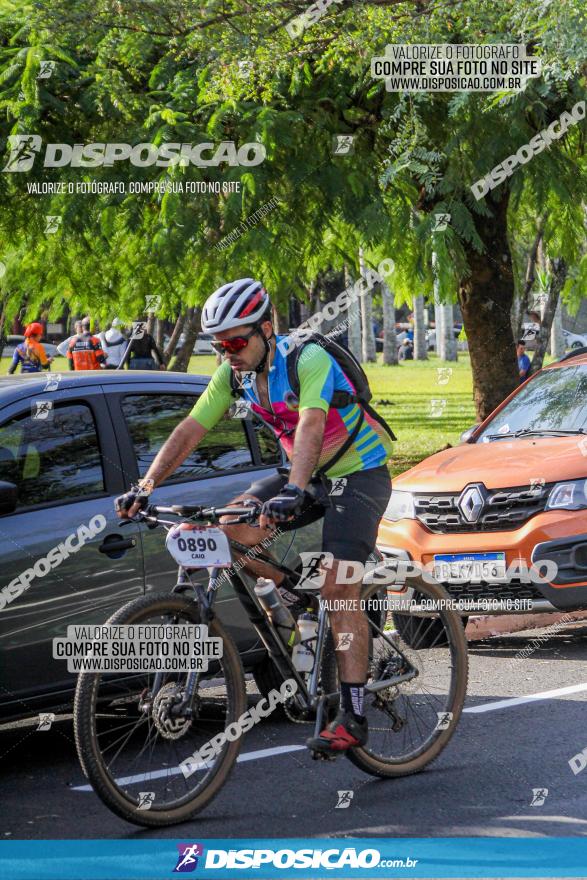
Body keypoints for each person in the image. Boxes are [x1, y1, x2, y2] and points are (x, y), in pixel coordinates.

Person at [115, 278, 393, 756]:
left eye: (237, 342)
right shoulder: (234, 374)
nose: (228, 353)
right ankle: (295, 597)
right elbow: (192, 427)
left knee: (340, 587)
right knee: (223, 535)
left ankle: (353, 714)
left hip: (358, 474)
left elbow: (309, 424)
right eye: (219, 346)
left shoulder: (307, 359)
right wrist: (146, 485)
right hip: (301, 474)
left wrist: (294, 489)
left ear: (267, 329)